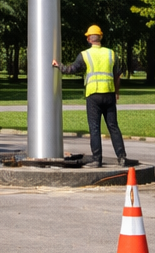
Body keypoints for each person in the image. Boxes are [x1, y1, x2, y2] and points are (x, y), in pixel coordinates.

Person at [52, 25, 129, 168]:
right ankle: (122, 157)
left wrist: (58, 66)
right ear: (101, 37)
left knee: (95, 128)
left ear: (88, 38)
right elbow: (118, 75)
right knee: (113, 126)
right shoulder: (111, 54)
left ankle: (97, 159)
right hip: (109, 94)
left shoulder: (85, 55)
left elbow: (71, 69)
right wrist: (116, 92)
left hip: (93, 95)